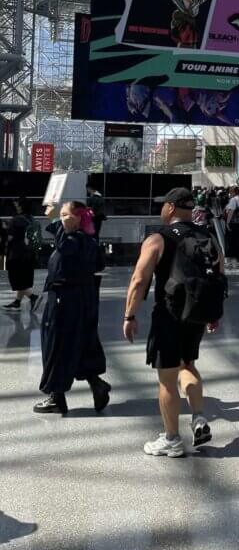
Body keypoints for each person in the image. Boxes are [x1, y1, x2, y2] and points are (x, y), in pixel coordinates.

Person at [123, 188, 223, 457]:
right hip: (196, 314)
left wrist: (129, 315)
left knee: (167, 379)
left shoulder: (158, 238)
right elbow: (219, 275)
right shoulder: (208, 236)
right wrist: (213, 314)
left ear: (170, 207)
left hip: (168, 315)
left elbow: (139, 279)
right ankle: (199, 416)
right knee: (188, 364)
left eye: (163, 205)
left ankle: (171, 439)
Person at [34, 201, 109, 415]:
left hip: (64, 300)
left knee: (56, 343)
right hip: (82, 299)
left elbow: (65, 247)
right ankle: (96, 383)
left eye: (65, 214)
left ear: (77, 218)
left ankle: (56, 395)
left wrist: (55, 221)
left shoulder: (73, 241)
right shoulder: (89, 240)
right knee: (81, 341)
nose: (61, 218)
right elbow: (98, 264)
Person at [3, 198, 39, 312]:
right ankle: (17, 302)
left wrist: (5, 229)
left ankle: (33, 297)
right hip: (30, 254)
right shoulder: (32, 219)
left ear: (20, 206)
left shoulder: (16, 220)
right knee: (24, 279)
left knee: (17, 280)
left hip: (17, 254)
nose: (16, 206)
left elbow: (10, 237)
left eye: (17, 205)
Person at [224, 186, 239, 267]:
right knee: (237, 241)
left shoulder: (233, 200)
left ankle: (230, 261)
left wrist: (228, 223)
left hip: (232, 224)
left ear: (233, 192)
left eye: (230, 192)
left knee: (230, 241)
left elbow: (231, 211)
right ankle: (236, 259)